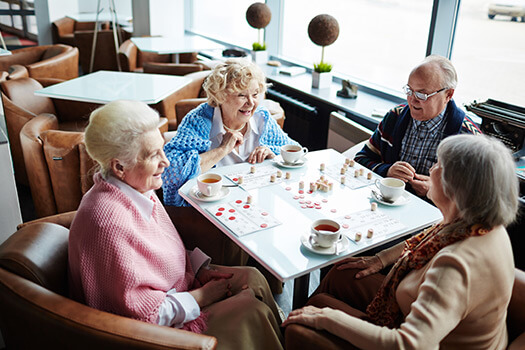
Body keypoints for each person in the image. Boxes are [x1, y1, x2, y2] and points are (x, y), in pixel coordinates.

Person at [68, 100, 284, 350]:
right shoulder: (108, 222)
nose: (167, 162)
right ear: (119, 166)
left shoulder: (135, 187)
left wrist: (200, 272)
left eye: (163, 149)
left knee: (253, 277)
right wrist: (202, 296)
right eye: (153, 155)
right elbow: (141, 316)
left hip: (176, 291)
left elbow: (159, 256)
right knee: (251, 309)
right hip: (153, 333)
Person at [283, 134, 519, 349]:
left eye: (438, 165)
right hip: (415, 313)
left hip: (417, 341)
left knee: (305, 323)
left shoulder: (454, 266)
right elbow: (422, 241)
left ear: (454, 190)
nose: (430, 168)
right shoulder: (479, 225)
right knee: (342, 272)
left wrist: (328, 319)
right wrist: (379, 259)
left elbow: (410, 345)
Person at [162, 58, 298, 207]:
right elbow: (171, 172)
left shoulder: (262, 119)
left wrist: (273, 156)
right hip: (212, 209)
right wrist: (222, 149)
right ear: (220, 96)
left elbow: (295, 155)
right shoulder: (198, 120)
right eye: (242, 95)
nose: (251, 103)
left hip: (256, 203)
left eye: (255, 94)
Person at [354, 55, 481, 197]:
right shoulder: (395, 117)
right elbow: (360, 159)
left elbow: (478, 199)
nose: (412, 100)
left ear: (448, 95)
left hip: (438, 217)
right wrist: (387, 171)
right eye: (409, 90)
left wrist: (438, 192)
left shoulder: (469, 138)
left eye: (422, 94)